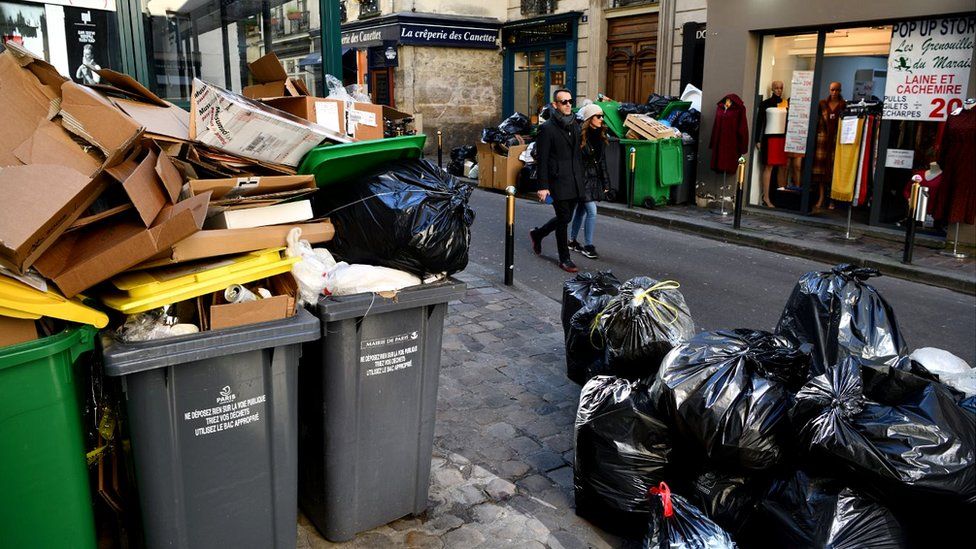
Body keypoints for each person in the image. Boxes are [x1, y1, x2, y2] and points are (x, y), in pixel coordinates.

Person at [529, 89, 585, 273]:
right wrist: (543, 186)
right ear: (555, 105)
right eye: (563, 102)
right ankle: (564, 259)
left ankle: (538, 234)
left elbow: (577, 154)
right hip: (557, 181)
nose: (568, 104)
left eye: (570, 101)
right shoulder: (547, 128)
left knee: (566, 217)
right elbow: (542, 159)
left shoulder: (576, 124)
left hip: (575, 180)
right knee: (563, 219)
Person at [568, 103, 610, 260]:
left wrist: (606, 184)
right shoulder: (579, 136)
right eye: (598, 116)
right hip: (581, 180)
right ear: (589, 119)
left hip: (593, 180)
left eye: (602, 116)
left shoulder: (600, 136)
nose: (601, 119)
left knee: (581, 210)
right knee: (592, 211)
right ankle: (588, 246)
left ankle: (572, 241)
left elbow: (602, 162)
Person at [812, 82, 846, 210]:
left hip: (836, 141)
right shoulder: (822, 104)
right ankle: (821, 198)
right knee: (820, 172)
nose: (834, 92)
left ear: (840, 90)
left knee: (833, 171)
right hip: (823, 140)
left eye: (837, 90)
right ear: (829, 89)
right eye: (832, 89)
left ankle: (831, 199)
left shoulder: (844, 105)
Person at [755, 80, 788, 208]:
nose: (779, 90)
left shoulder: (786, 103)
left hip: (782, 138)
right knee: (768, 167)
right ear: (772, 89)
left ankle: (780, 196)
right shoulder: (766, 104)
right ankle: (766, 197)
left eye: (781, 88)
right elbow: (759, 122)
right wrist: (757, 140)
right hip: (769, 138)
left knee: (782, 167)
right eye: (776, 88)